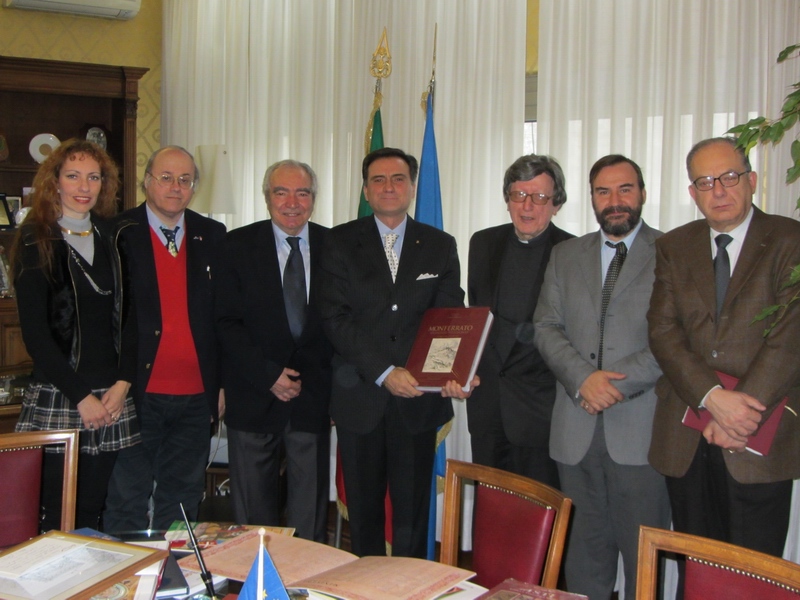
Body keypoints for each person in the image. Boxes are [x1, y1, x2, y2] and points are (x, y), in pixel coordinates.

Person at [648, 137, 800, 560]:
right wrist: (713, 399)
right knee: (698, 566)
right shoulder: (673, 247)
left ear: (751, 180)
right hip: (686, 432)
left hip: (760, 434)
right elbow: (663, 331)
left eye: (729, 177)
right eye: (704, 181)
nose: (718, 190)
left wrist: (740, 413)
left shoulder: (791, 239)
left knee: (753, 571)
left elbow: (791, 338)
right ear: (692, 192)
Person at [319, 147, 476, 558]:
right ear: (366, 190)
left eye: (398, 179)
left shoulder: (440, 245)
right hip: (360, 400)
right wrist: (385, 371)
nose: (389, 187)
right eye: (378, 180)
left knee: (411, 517)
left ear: (411, 186)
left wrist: (455, 370)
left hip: (418, 403)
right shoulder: (337, 241)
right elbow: (335, 319)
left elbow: (448, 318)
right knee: (365, 518)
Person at [534, 155, 670, 599]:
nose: (614, 201)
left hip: (641, 430)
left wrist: (611, 385)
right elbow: (546, 327)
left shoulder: (672, 253)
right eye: (603, 191)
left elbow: (674, 338)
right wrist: (582, 380)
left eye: (625, 189)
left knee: (642, 558)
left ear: (643, 193)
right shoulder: (565, 254)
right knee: (584, 555)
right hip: (575, 428)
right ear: (591, 198)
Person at [11, 138, 138, 531]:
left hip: (112, 396)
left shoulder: (115, 237)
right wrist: (81, 397)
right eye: (73, 176)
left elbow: (134, 319)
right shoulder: (36, 240)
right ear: (55, 182)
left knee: (91, 510)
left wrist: (122, 384)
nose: (84, 187)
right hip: (63, 395)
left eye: (93, 177)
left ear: (105, 184)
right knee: (53, 511)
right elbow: (36, 337)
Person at [103, 146, 226, 532]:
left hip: (196, 396)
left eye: (185, 179)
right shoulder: (116, 233)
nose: (176, 187)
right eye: (166, 177)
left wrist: (221, 384)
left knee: (184, 499)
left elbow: (224, 318)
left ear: (194, 187)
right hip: (138, 393)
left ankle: (176, 585)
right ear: (147, 180)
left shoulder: (212, 234)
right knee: (127, 497)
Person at [215, 160, 333, 542]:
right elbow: (225, 323)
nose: (292, 202)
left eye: (302, 193)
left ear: (313, 199)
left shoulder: (336, 247)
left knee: (309, 516)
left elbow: (344, 323)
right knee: (252, 519)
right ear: (267, 198)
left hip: (313, 399)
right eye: (281, 192)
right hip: (252, 396)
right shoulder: (235, 245)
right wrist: (269, 375)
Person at [467, 154, 573, 487]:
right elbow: (474, 320)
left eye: (540, 197)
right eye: (518, 195)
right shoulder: (482, 243)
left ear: (556, 204)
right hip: (487, 406)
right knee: (490, 513)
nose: (527, 206)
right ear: (507, 199)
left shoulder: (572, 251)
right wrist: (460, 370)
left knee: (540, 518)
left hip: (543, 410)